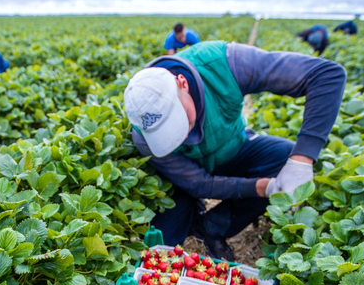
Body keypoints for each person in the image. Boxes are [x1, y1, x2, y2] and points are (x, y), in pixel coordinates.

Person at [124, 41, 346, 259]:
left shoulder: (223, 63)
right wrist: (262, 187)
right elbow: (198, 183)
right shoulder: (143, 135)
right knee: (162, 246)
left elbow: (327, 75)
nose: (180, 136)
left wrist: (302, 159)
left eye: (180, 121)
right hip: (184, 179)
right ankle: (191, 208)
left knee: (284, 157)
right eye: (166, 134)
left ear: (183, 83)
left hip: (233, 149)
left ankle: (211, 227)